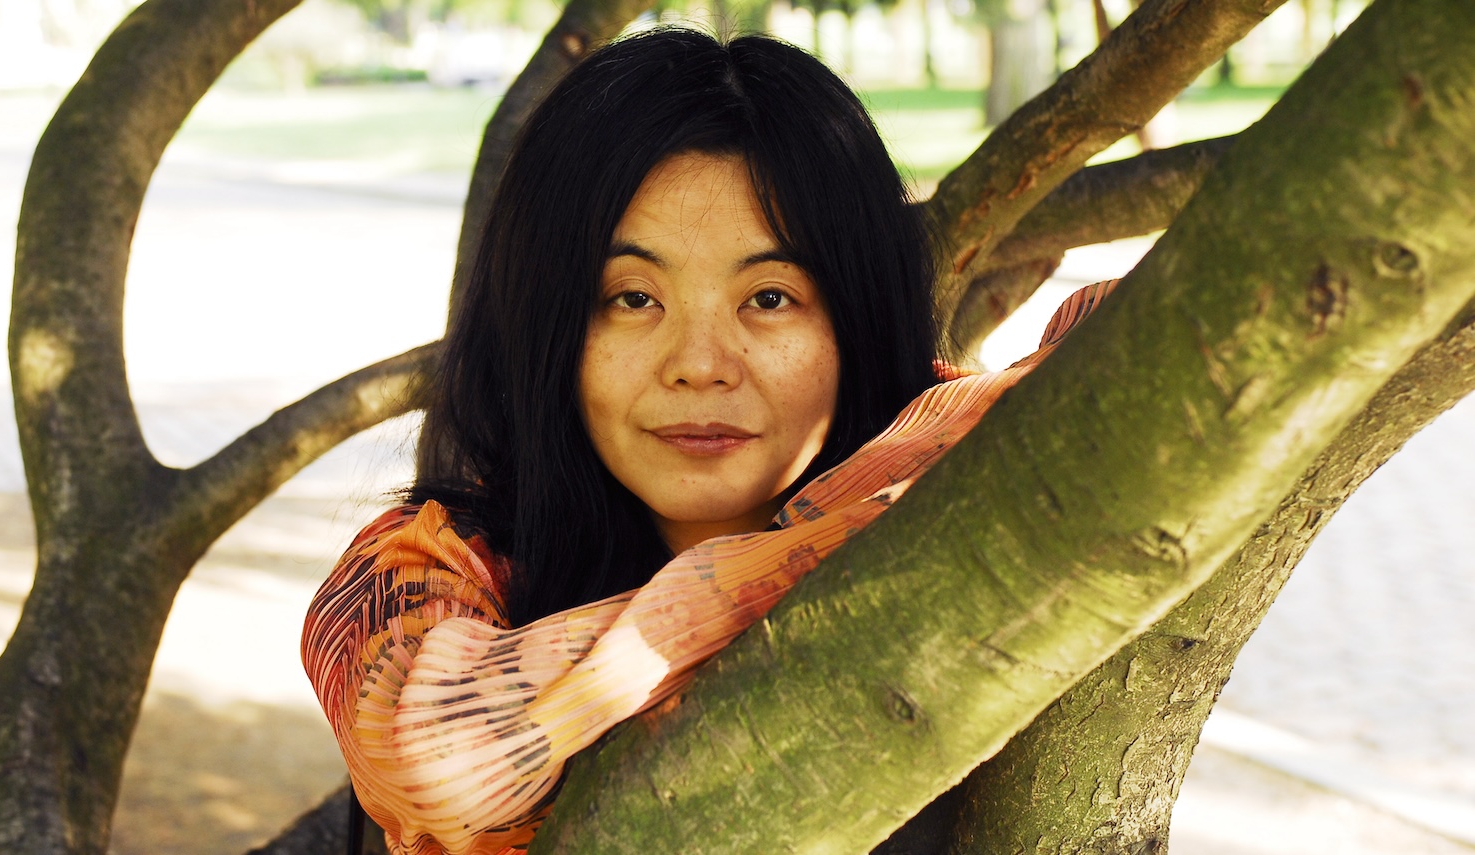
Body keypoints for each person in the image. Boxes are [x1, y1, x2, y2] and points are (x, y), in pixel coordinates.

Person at [302, 27, 1112, 855]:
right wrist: (848, 553)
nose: (698, 364)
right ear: (546, 325)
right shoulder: (420, 576)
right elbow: (446, 757)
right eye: (632, 298)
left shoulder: (952, 448)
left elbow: (1140, 355)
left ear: (857, 320)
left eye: (769, 297)